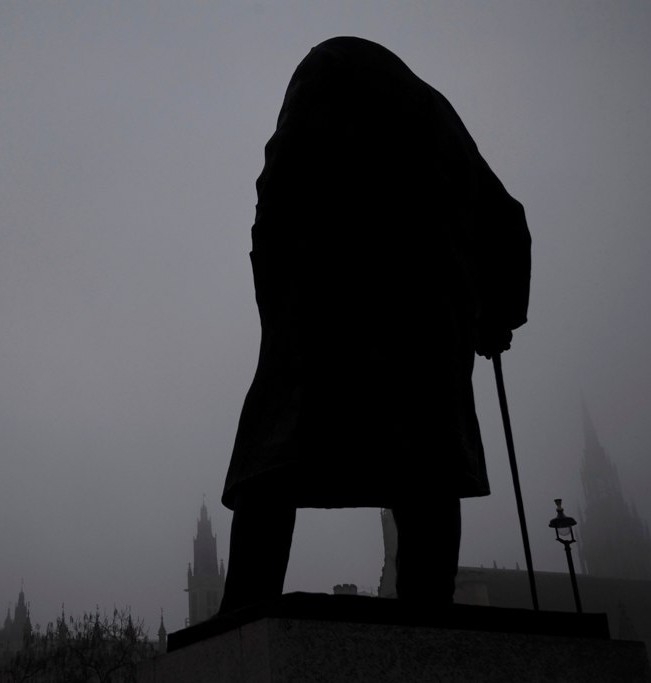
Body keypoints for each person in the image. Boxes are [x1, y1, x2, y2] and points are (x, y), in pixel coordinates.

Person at [218, 37, 531, 612]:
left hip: (324, 297)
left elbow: (276, 193)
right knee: (427, 460)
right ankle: (428, 608)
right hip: (424, 315)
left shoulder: (324, 72)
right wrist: (497, 317)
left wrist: (277, 298)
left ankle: (245, 608)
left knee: (279, 442)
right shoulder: (436, 117)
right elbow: (508, 221)